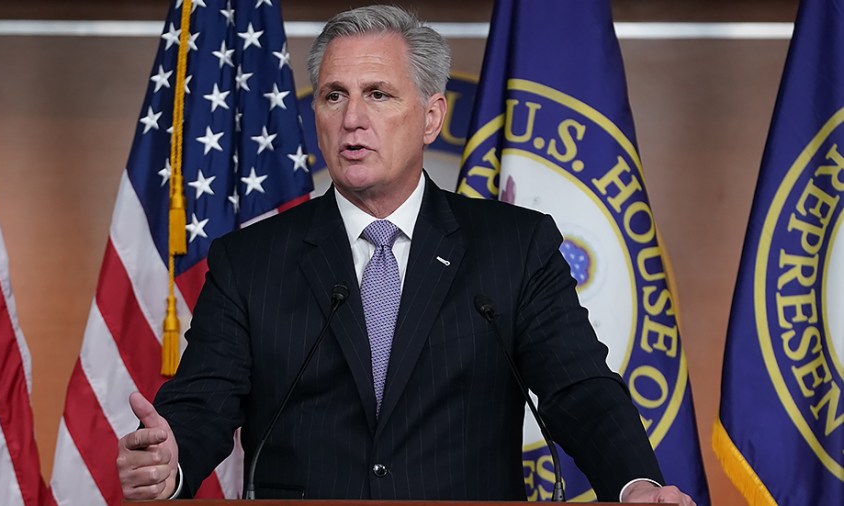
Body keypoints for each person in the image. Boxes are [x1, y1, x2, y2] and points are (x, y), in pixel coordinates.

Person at [117, 5, 695, 504]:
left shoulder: (514, 246)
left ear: (431, 117)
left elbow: (580, 389)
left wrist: (634, 482)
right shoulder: (250, 261)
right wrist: (173, 462)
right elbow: (202, 404)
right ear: (314, 116)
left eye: (378, 94)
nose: (352, 119)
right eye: (333, 96)